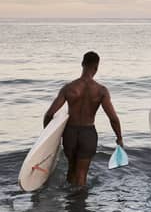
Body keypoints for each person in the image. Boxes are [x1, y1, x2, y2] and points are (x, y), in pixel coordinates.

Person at [43, 51, 123, 186]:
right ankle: (79, 205)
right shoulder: (101, 90)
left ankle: (69, 203)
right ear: (96, 67)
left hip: (70, 133)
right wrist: (119, 137)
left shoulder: (68, 88)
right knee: (81, 175)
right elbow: (113, 118)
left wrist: (48, 137)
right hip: (88, 134)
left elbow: (49, 114)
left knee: (71, 169)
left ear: (82, 64)